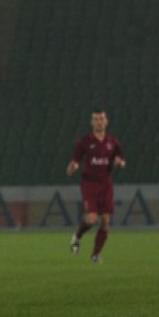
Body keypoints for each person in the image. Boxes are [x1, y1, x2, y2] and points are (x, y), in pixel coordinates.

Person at [66, 109, 126, 263]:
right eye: (96, 119)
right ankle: (77, 236)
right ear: (91, 122)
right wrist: (72, 168)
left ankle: (95, 255)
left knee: (105, 221)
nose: (99, 122)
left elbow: (121, 160)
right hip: (89, 184)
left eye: (101, 119)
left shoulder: (113, 142)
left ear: (106, 121)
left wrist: (120, 163)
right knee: (92, 219)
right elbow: (74, 163)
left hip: (106, 183)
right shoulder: (84, 142)